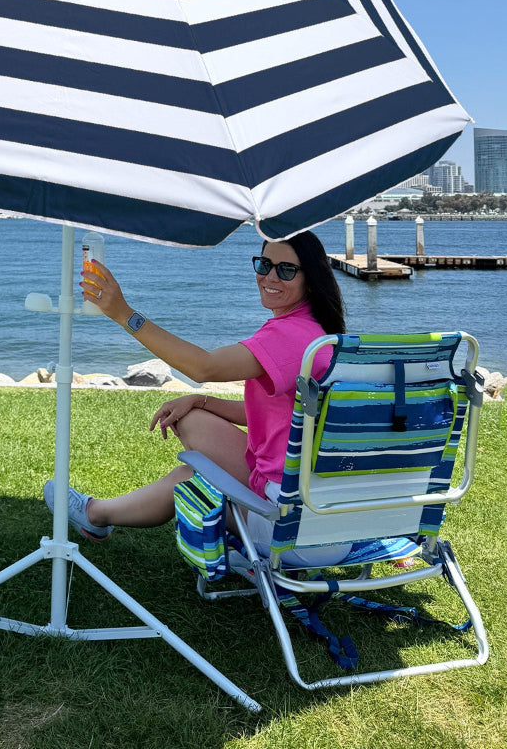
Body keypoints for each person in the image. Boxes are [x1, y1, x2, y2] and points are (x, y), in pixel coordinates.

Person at [43, 230, 349, 566]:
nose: (269, 277)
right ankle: (97, 515)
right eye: (264, 265)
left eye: (286, 270)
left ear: (312, 277)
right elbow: (284, 414)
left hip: (291, 532)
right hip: (336, 524)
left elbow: (203, 367)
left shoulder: (288, 336)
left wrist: (123, 313)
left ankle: (95, 514)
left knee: (191, 480)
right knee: (191, 417)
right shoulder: (319, 333)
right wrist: (201, 401)